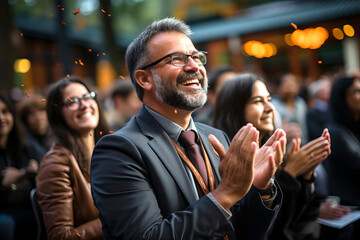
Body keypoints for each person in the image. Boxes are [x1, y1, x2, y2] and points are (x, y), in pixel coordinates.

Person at [91, 18, 287, 240]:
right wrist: (225, 194)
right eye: (177, 59)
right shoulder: (119, 150)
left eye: (196, 57)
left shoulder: (215, 136)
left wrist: (260, 189)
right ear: (144, 79)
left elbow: (239, 231)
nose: (194, 67)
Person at [213, 73, 332, 240]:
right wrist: (289, 175)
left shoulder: (275, 151)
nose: (270, 107)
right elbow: (265, 228)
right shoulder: (224, 160)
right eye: (258, 101)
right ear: (235, 108)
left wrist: (305, 176)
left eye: (268, 99)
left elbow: (298, 218)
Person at [36, 77, 109, 240]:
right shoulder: (55, 164)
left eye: (87, 97)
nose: (84, 105)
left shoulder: (108, 150)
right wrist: (115, 219)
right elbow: (60, 236)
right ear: (58, 114)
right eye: (72, 101)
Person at [324, 74, 360, 239]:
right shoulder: (335, 132)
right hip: (351, 209)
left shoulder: (353, 125)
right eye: (357, 91)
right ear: (342, 97)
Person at [0, 92, 37, 240]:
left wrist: (20, 174)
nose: (1, 118)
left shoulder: (25, 146)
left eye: (5, 112)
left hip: (27, 209)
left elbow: (36, 174)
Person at [272, 73, 309, 146]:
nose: (291, 84)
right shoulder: (273, 105)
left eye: (294, 81)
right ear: (278, 87)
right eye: (286, 82)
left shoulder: (300, 103)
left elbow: (304, 128)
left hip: (302, 144)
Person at [17, 93, 49, 162]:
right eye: (32, 113)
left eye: (41, 110)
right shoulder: (23, 144)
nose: (38, 117)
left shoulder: (57, 136)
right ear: (25, 119)